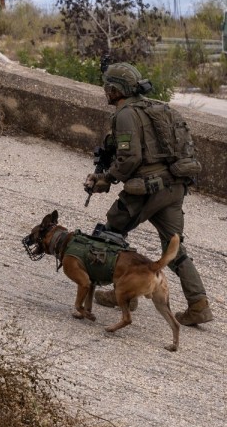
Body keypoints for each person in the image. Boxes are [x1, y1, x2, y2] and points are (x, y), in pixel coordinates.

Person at [84, 62, 213, 326]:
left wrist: (105, 179)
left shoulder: (125, 115)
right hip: (173, 187)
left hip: (146, 190)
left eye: (108, 87)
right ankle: (198, 304)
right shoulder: (155, 107)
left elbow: (130, 159)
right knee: (173, 246)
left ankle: (126, 296)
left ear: (115, 90)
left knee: (111, 232)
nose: (105, 91)